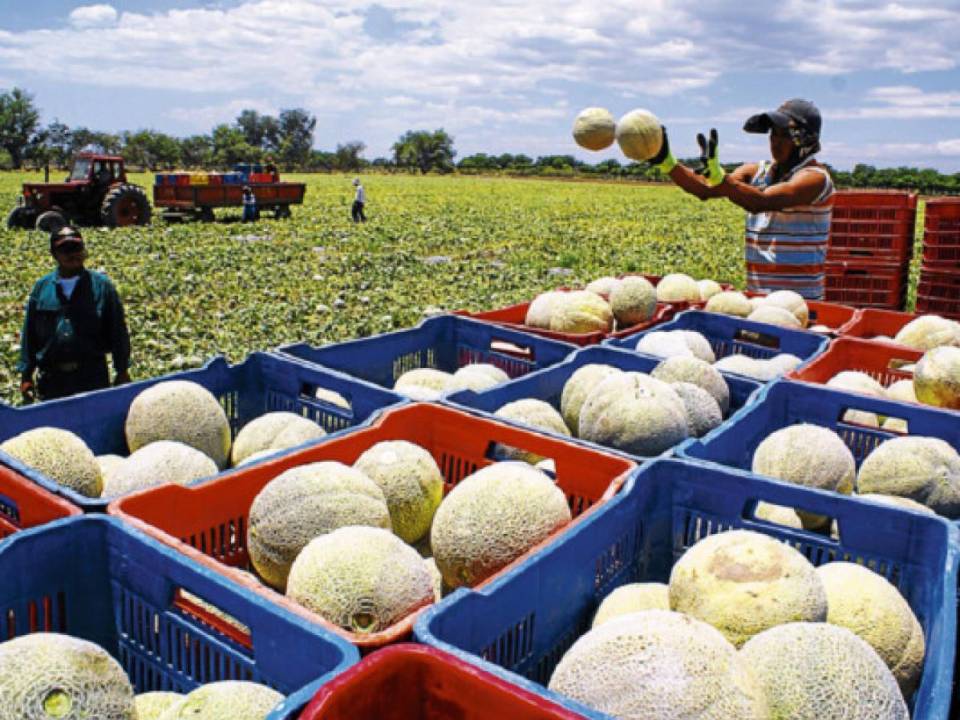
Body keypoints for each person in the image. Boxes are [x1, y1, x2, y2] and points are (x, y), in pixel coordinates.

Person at [651, 99, 834, 299]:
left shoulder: (815, 178)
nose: (775, 141)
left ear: (805, 140)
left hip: (800, 303)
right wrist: (667, 162)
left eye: (784, 135)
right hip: (757, 301)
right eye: (773, 134)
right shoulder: (756, 172)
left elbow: (761, 201)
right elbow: (706, 189)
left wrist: (720, 179)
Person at [18, 226, 131, 403]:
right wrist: (26, 374)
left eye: (76, 248)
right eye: (65, 249)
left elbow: (118, 331)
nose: (73, 254)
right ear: (54, 254)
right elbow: (29, 335)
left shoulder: (102, 287)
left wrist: (122, 370)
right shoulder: (42, 288)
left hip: (92, 377)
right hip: (52, 380)